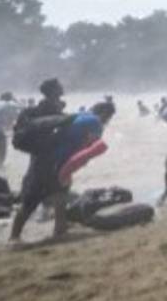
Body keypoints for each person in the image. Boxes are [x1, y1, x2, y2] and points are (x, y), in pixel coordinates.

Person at [9, 101, 115, 241]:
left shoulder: (79, 115)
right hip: (56, 161)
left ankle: (56, 229)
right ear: (105, 114)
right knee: (38, 198)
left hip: (42, 158)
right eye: (109, 117)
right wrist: (71, 167)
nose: (107, 121)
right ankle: (18, 236)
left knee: (57, 193)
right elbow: (90, 146)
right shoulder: (95, 122)